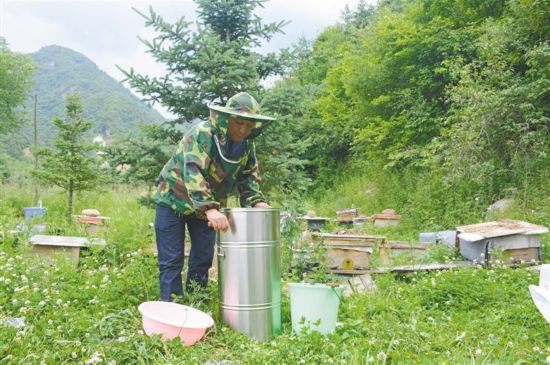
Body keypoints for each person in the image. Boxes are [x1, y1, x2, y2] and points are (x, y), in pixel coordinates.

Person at [153, 92, 274, 302]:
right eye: (239, 123)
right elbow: (193, 170)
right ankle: (172, 312)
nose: (243, 130)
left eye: (249, 125)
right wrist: (209, 208)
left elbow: (248, 177)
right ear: (227, 119)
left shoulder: (246, 145)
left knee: (202, 258)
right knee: (172, 260)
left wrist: (258, 202)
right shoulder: (203, 133)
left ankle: (196, 307)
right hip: (173, 200)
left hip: (207, 208)